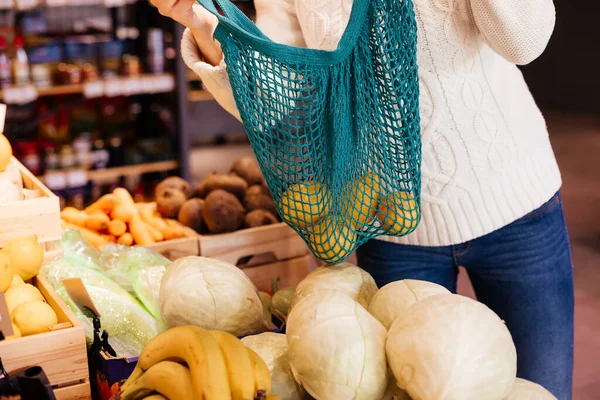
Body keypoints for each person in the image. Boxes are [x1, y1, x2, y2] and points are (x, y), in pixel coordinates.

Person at [152, 0, 573, 398]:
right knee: (411, 389)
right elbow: (279, 98)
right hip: (388, 224)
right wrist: (200, 21)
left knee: (542, 388)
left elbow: (525, 42)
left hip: (514, 203)